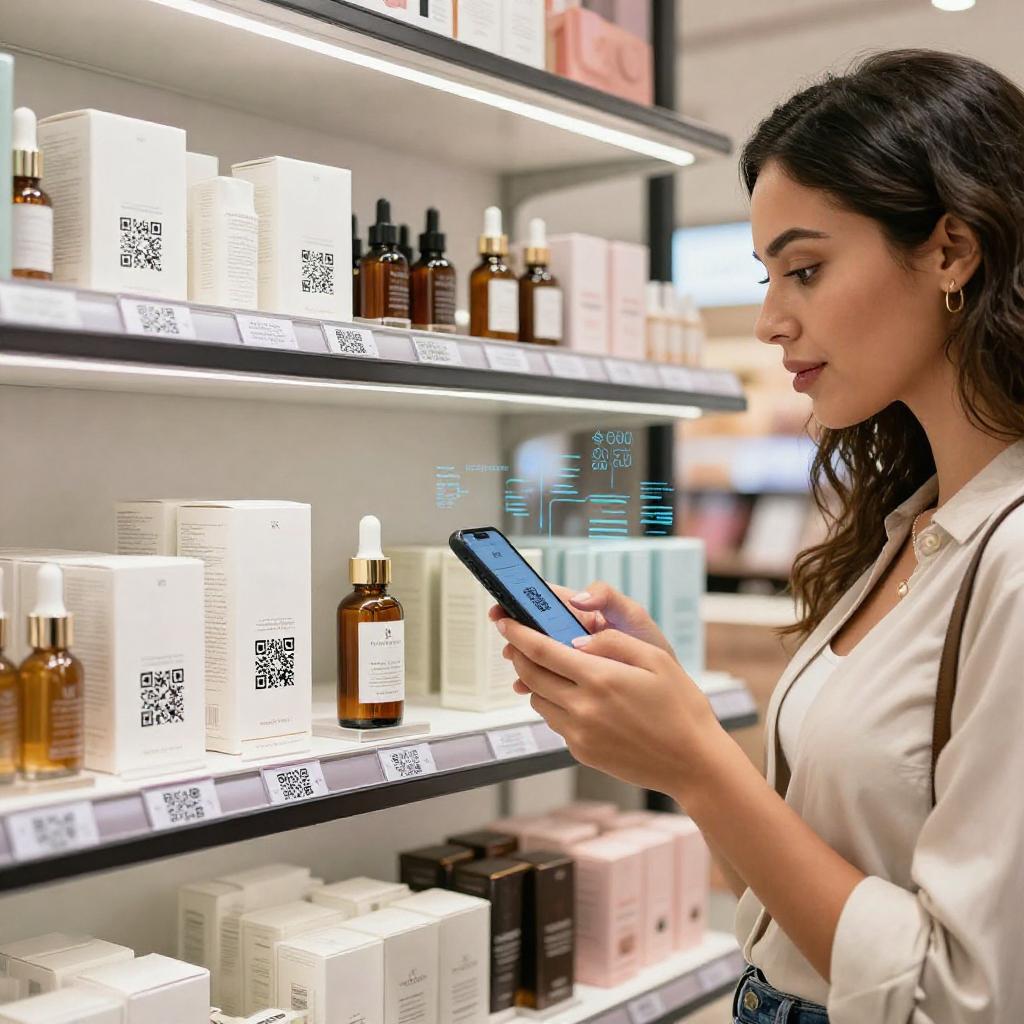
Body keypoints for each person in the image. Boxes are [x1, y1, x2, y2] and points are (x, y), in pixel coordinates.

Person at [489, 49, 1024, 1024]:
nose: (773, 320)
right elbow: (830, 851)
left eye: (806, 270)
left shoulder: (1013, 558)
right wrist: (678, 722)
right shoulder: (909, 528)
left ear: (951, 251)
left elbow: (963, 997)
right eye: (767, 275)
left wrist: (695, 759)